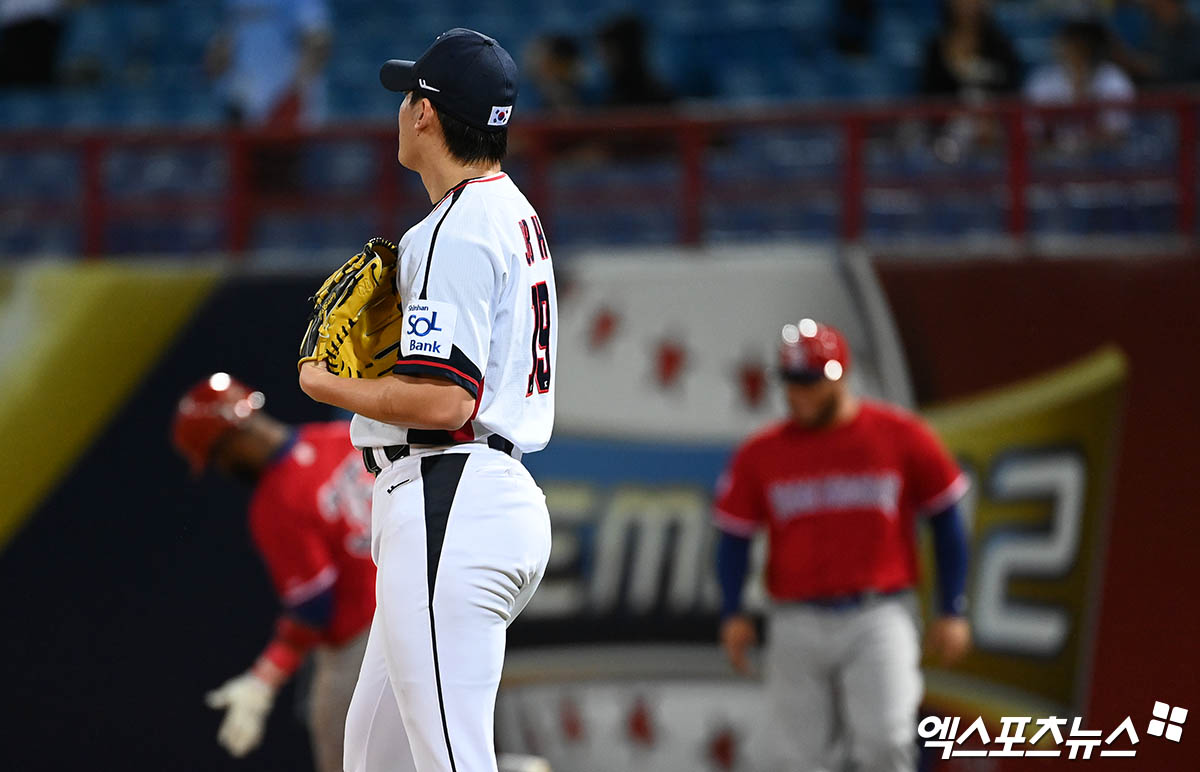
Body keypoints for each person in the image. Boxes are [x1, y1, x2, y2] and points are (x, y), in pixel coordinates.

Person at [297, 28, 557, 772]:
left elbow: (445, 401)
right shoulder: (507, 210)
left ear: (426, 116)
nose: (402, 106)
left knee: (450, 759)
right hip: (467, 497)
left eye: (410, 93)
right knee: (374, 758)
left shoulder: (454, 228)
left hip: (452, 495)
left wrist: (325, 382)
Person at [713, 320, 971, 772]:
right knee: (794, 759)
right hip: (795, 617)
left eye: (812, 381)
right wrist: (732, 610)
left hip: (877, 612)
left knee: (887, 741)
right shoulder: (762, 452)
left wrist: (953, 606)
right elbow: (734, 536)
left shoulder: (898, 434)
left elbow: (947, 518)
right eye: (793, 382)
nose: (801, 394)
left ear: (841, 374)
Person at [171, 373, 376, 772]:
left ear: (228, 441)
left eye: (217, 457)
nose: (223, 468)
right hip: (426, 607)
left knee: (346, 759)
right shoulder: (338, 437)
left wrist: (264, 678)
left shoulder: (274, 502)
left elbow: (313, 607)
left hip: (364, 644)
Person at [1025, 20, 1136, 146]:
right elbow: (1034, 130)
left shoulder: (1113, 78)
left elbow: (1117, 132)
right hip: (1054, 154)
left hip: (1103, 156)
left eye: (1079, 45)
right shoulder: (1044, 78)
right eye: (1068, 44)